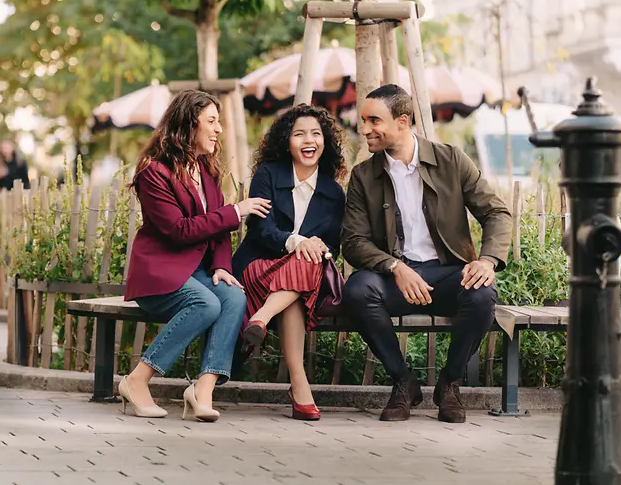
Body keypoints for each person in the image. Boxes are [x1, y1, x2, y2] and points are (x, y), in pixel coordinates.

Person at [341, 85, 512, 423]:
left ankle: (449, 383)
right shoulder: (363, 176)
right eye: (363, 120)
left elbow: (497, 213)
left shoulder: (451, 160)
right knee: (358, 290)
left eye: (374, 120)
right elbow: (353, 241)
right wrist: (393, 267)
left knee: (481, 295)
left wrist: (488, 260)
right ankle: (403, 381)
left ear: (402, 122)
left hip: (448, 274)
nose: (365, 129)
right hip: (396, 280)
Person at [120, 89, 271, 422]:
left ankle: (203, 390)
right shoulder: (154, 173)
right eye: (212, 121)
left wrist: (220, 266)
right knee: (206, 303)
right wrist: (236, 211)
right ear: (189, 124)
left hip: (197, 273)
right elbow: (179, 230)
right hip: (160, 276)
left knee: (232, 296)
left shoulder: (206, 171)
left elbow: (216, 229)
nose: (218, 129)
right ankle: (137, 380)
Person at [232, 104, 347, 421]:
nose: (308, 140)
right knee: (305, 260)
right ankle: (299, 388)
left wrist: (317, 248)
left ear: (325, 142)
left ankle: (262, 321)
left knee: (311, 262)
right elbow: (259, 229)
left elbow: (332, 246)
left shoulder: (334, 194)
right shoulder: (268, 175)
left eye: (315, 134)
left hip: (298, 283)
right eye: (299, 134)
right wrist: (297, 242)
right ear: (287, 142)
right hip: (258, 268)